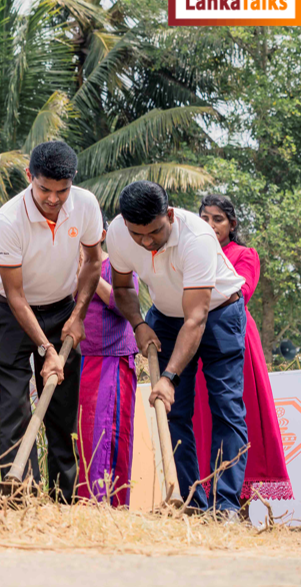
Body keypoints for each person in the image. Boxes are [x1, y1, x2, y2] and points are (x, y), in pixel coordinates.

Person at [107, 181, 248, 515]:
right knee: (172, 412)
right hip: (166, 319)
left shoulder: (197, 238)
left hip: (217, 314)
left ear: (168, 214)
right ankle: (189, 504)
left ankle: (224, 506)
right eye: (136, 234)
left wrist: (169, 376)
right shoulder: (117, 231)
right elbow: (123, 286)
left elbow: (196, 318)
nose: (145, 242)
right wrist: (139, 325)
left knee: (226, 409)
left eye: (154, 232)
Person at [0, 141, 103, 501]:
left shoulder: (85, 204)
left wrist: (77, 315)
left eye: (62, 191)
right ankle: (18, 496)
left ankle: (62, 501)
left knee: (62, 412)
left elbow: (93, 262)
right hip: (12, 311)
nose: (54, 199)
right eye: (44, 190)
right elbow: (16, 296)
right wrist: (46, 348)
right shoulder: (8, 220)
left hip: (61, 308)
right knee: (14, 407)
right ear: (29, 178)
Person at [197, 194, 292, 504]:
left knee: (237, 415)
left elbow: (243, 291)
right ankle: (205, 499)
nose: (210, 225)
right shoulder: (191, 254)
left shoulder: (243, 254)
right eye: (204, 219)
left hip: (235, 340)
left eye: (217, 219)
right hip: (197, 338)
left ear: (232, 224)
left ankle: (236, 502)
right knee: (204, 419)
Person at [74, 221, 137, 506]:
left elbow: (123, 304)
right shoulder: (64, 268)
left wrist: (89, 272)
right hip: (78, 361)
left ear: (100, 235)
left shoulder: (118, 265)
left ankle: (105, 504)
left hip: (111, 359)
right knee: (83, 438)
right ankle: (82, 502)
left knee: (106, 434)